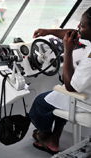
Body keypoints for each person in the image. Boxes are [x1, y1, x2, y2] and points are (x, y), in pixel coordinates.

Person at [29, 7, 91, 155]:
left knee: (40, 103)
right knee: (57, 98)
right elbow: (74, 34)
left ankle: (44, 134)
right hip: (85, 91)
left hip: (85, 101)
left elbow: (70, 86)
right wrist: (48, 31)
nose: (78, 28)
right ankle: (53, 140)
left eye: (82, 25)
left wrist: (68, 50)